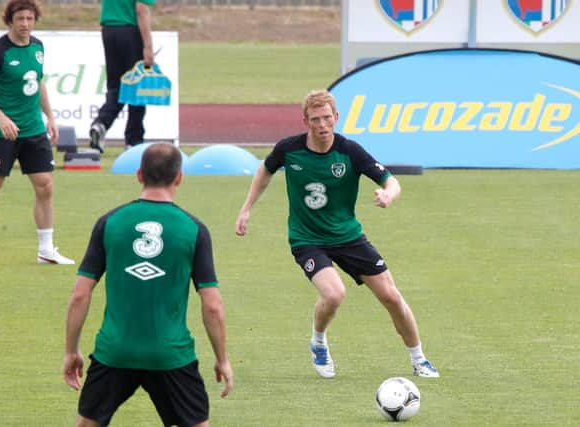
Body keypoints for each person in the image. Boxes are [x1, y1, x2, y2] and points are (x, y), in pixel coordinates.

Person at [235, 90, 439, 379]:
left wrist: (388, 195)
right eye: (315, 119)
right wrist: (246, 209)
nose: (322, 125)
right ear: (305, 120)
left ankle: (419, 359)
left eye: (327, 118)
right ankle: (318, 342)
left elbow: (390, 180)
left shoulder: (350, 151)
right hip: (307, 239)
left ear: (336, 117)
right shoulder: (288, 149)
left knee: (391, 297)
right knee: (334, 294)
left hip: (348, 237)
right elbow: (265, 170)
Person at [64, 143, 233, 426]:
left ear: (139, 174)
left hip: (115, 352)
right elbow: (213, 305)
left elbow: (80, 295)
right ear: (179, 177)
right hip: (171, 354)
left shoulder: (110, 223)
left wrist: (71, 351)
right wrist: (222, 358)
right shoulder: (194, 229)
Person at [0, 0, 74, 267]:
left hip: (34, 130)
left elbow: (39, 82)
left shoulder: (37, 47)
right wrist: (0, 117)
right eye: (20, 19)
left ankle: (46, 250)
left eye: (29, 18)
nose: (25, 24)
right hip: (3, 133)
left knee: (45, 186)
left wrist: (51, 116)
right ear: (10, 20)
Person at [89, 0, 155, 153]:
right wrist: (148, 46)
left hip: (109, 29)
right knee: (137, 87)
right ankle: (134, 140)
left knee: (116, 86)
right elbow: (141, 10)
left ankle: (102, 123)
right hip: (130, 30)